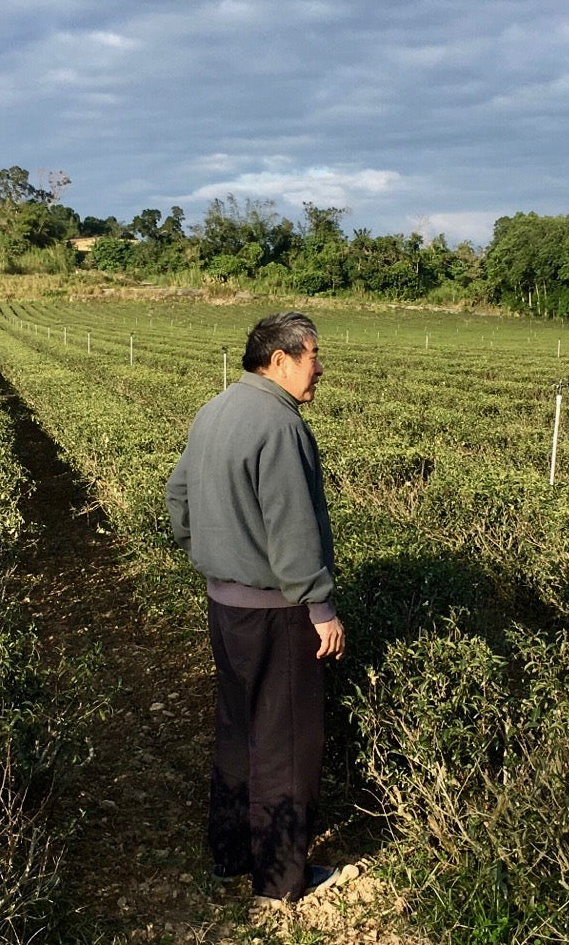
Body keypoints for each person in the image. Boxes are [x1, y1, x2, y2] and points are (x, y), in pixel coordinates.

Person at [165, 310, 346, 903]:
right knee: (286, 741)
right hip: (276, 610)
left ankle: (229, 856)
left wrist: (214, 553)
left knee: (236, 729)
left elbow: (178, 498)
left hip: (223, 602)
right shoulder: (280, 423)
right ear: (279, 360)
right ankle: (279, 883)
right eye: (312, 355)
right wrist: (319, 605)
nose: (320, 367)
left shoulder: (214, 410)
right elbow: (293, 527)